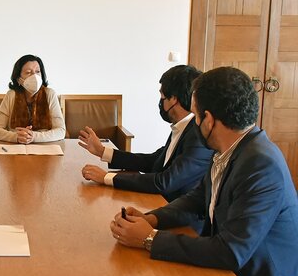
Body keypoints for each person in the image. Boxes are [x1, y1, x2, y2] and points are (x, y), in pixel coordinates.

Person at [110, 67, 298, 276]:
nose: (194, 122)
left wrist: (150, 238)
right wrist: (151, 218)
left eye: (195, 114)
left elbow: (231, 251)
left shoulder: (261, 164)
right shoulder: (230, 148)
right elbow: (198, 199)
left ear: (208, 120)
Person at [79, 65, 213, 202]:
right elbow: (153, 161)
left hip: (173, 209)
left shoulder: (197, 137)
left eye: (162, 96)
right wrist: (102, 151)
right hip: (161, 203)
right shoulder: (183, 127)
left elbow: (164, 182)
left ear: (174, 99)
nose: (160, 102)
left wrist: (106, 177)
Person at [0, 54, 66, 144]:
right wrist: (16, 137)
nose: (35, 76)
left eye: (38, 71)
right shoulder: (11, 95)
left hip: (45, 146)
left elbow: (60, 131)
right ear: (18, 78)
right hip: (15, 148)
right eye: (28, 72)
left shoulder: (50, 94)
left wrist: (33, 136)